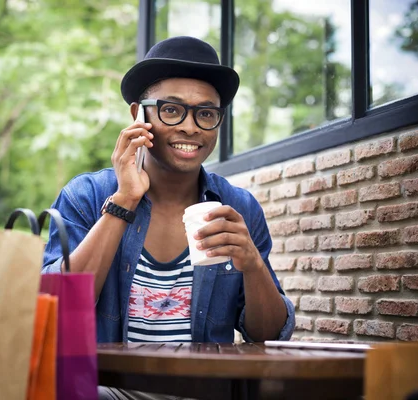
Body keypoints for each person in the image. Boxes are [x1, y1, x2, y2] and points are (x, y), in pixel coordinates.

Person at [42, 36, 295, 394]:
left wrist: (252, 264)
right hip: (108, 389)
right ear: (138, 115)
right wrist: (124, 200)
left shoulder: (238, 207)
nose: (191, 127)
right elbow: (56, 309)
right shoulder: (87, 196)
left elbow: (267, 335)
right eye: (171, 110)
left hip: (206, 390)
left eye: (206, 113)